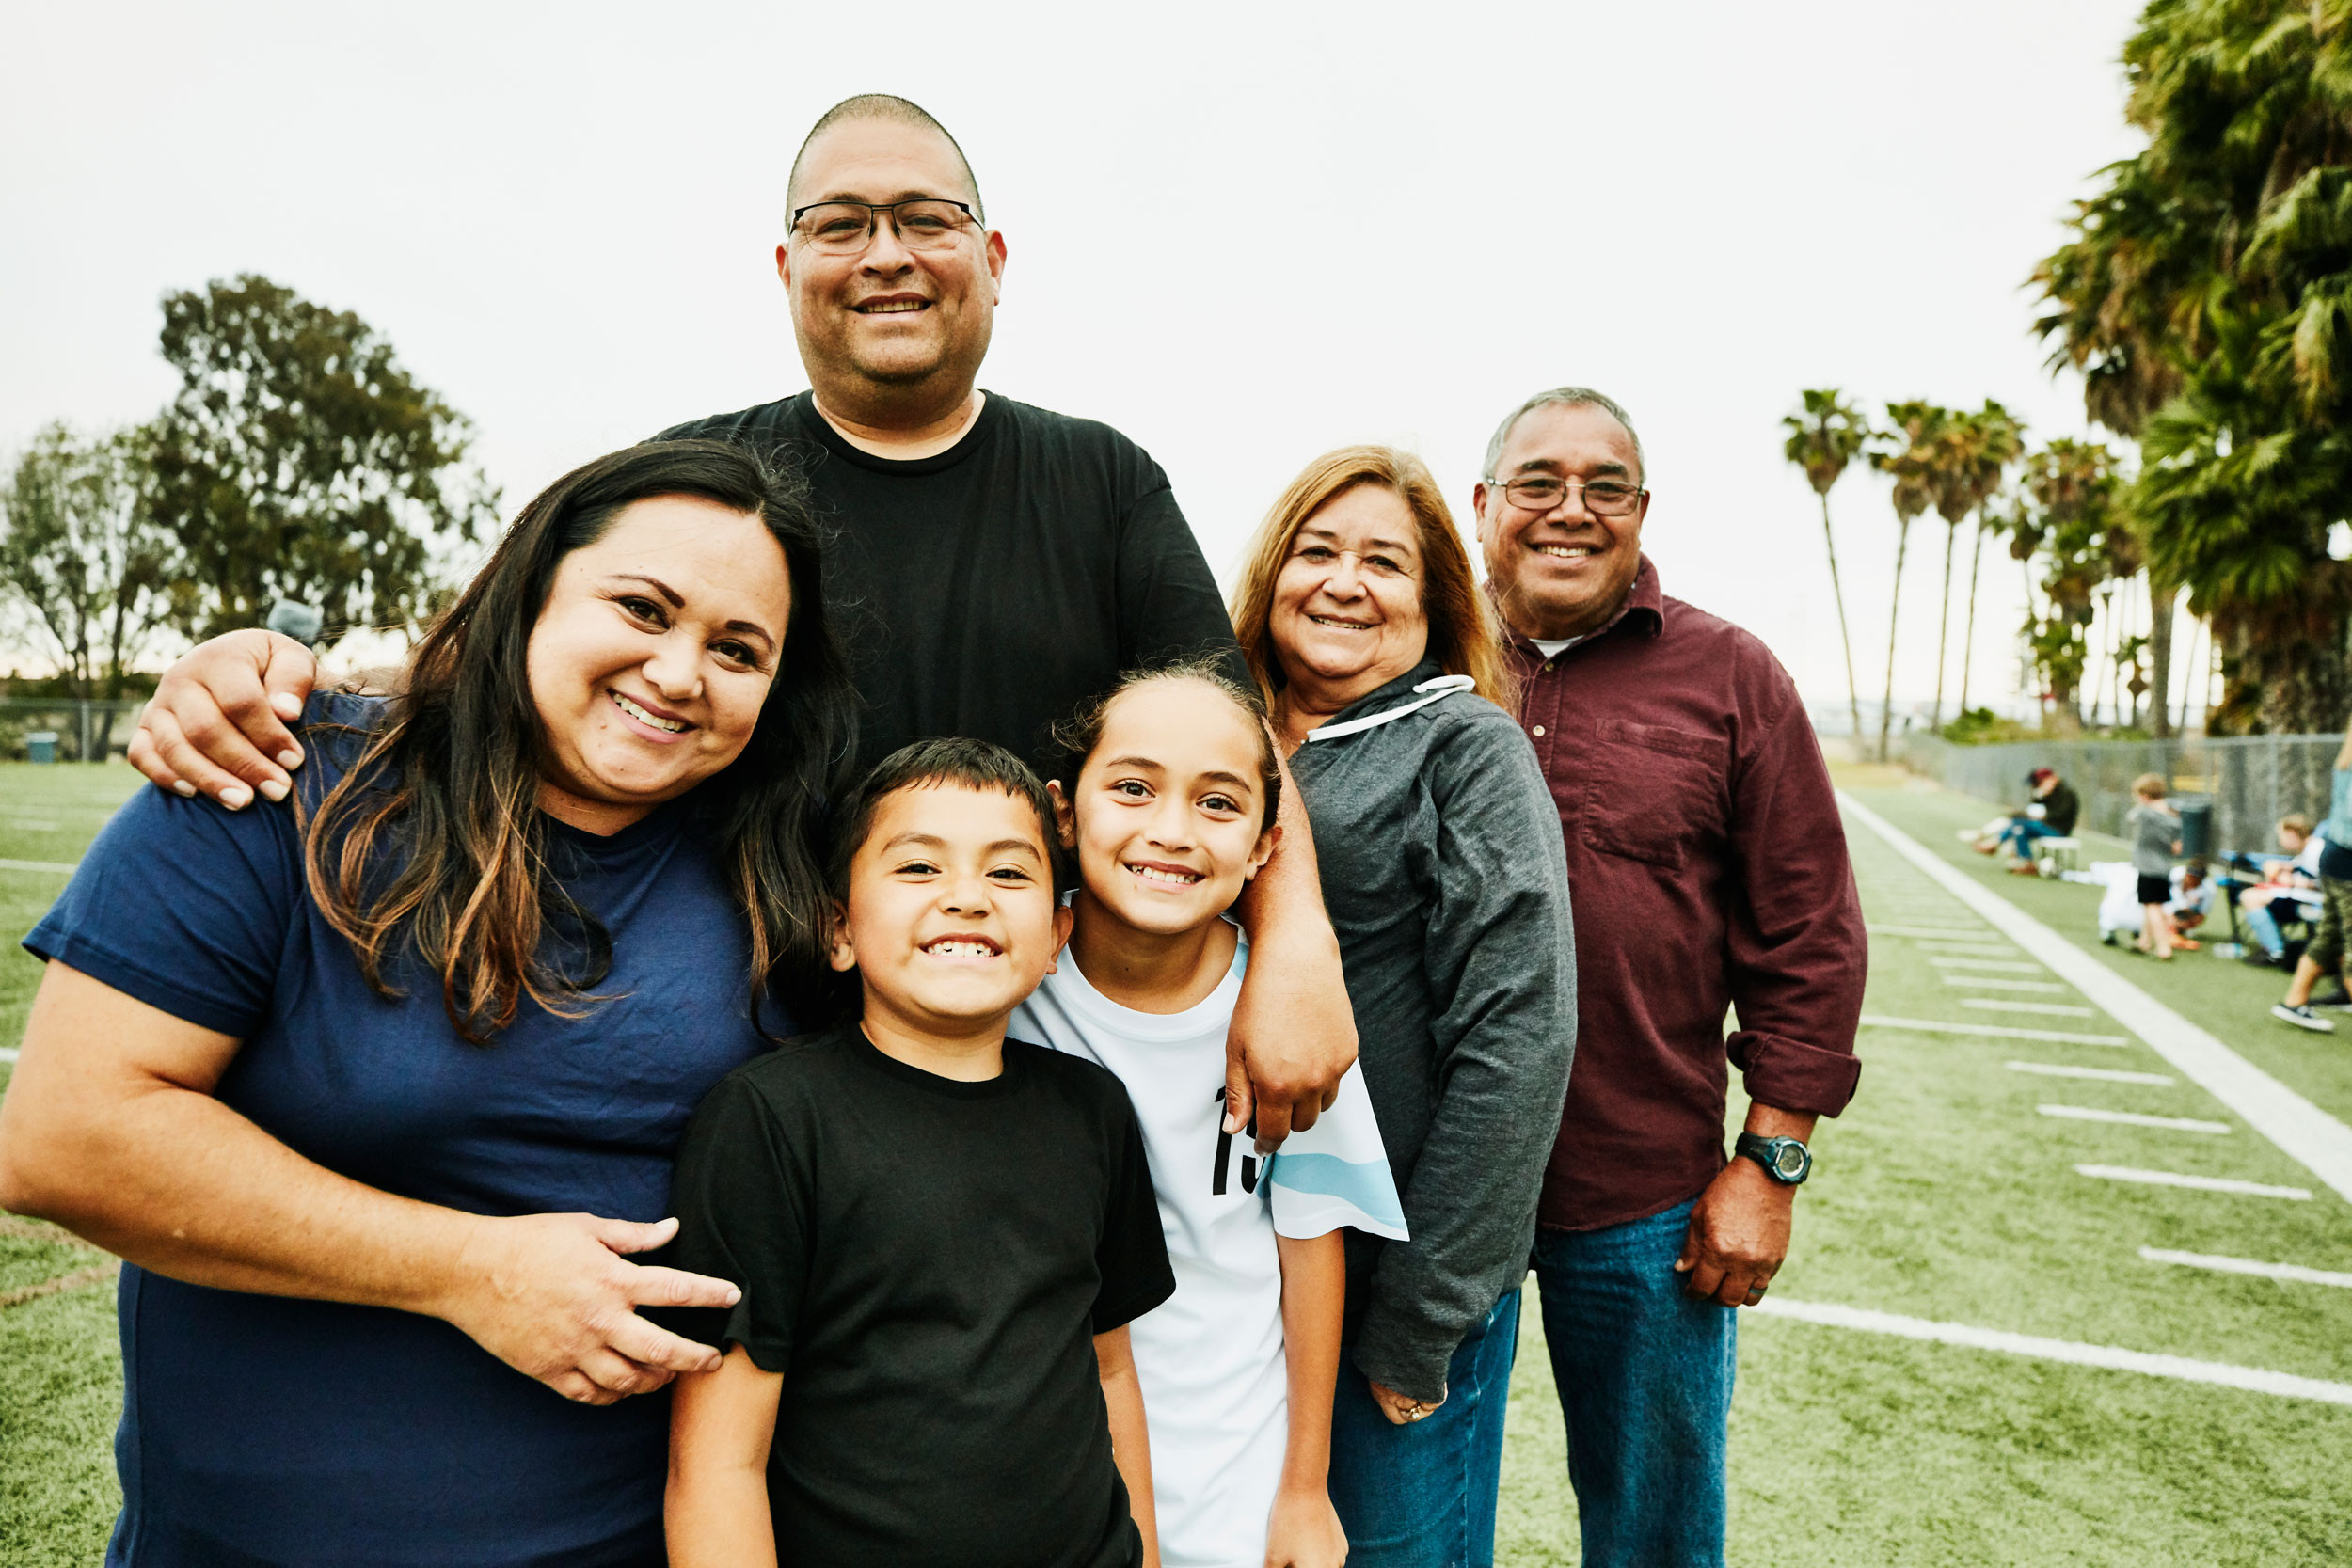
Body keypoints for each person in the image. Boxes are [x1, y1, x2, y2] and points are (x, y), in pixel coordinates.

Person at [119, 92, 1353, 1148]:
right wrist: (267, 670)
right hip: (733, 1047)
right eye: (840, 225)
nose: (886, 254)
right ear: (785, 267)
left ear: (993, 258)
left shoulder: (1099, 479)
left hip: (1024, 1034)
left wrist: (1298, 942)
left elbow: (1228, 733)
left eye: (926, 220)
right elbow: (512, 663)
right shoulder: (698, 479)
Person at [0, 442, 855, 1565]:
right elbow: (63, 1137)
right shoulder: (278, 782)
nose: (681, 670)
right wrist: (467, 1270)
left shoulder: (790, 879)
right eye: (642, 607)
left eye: (738, 650)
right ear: (531, 589)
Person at [1470, 387, 1865, 1568]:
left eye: (1605, 486)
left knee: (1653, 1533)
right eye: (1538, 481)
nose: (1569, 510)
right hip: (1426, 1179)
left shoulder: (1734, 675)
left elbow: (1810, 932)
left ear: (1643, 510)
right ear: (1484, 503)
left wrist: (1770, 1162)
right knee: (1401, 1517)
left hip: (1642, 1192)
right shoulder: (1413, 651)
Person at [660, 739, 1171, 1567]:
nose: (968, 898)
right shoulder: (771, 1121)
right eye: (919, 869)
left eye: (1009, 874)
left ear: (1056, 937)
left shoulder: (1093, 1110)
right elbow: (718, 1461)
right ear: (838, 929)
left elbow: (1110, 1370)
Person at [1228, 446, 1577, 1568]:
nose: (1343, 581)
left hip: (1390, 1287)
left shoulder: (1461, 744)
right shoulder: (1212, 734)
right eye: (1316, 550)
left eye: (1384, 561)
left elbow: (1520, 1036)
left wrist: (1422, 1316)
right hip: (1227, 1280)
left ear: (1433, 602)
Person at [1014, 662, 1404, 1568]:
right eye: (1134, 787)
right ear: (1065, 812)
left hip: (1235, 1467)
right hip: (1044, 1463)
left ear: (1268, 846)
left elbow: (1310, 1244)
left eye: (1218, 803)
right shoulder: (1007, 986)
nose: (1171, 831)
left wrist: (1304, 1490)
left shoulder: (1286, 1016)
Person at [2273, 722, 2352, 1032]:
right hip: (2345, 865)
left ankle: (2294, 1001)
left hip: (2334, 863)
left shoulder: (2344, 769)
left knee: (2329, 938)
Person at [2238, 814, 2322, 964]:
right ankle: (2276, 947)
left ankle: (2276, 951)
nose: (2281, 841)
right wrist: (2278, 868)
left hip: (2315, 904)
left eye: (2282, 836)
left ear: (2292, 833)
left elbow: (2323, 883)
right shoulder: (2308, 848)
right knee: (2250, 894)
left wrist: (2293, 881)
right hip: (2301, 897)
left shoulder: (2316, 848)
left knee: (2250, 897)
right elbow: (2294, 868)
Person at [2125, 773, 2183, 959]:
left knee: (2152, 907)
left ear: (2144, 796)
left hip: (2148, 866)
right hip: (2164, 866)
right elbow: (2176, 846)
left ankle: (2163, 947)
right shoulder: (2173, 816)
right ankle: (2144, 941)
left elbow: (2131, 817)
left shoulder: (2145, 812)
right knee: (2153, 904)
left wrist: (2143, 805)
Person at [2166, 858, 2215, 947]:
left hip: (2189, 912)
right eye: (2190, 877)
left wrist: (2188, 921)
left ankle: (2178, 931)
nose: (2191, 881)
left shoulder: (2209, 890)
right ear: (2186, 873)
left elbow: (2201, 916)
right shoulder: (2173, 875)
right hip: (2168, 905)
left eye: (2196, 880)